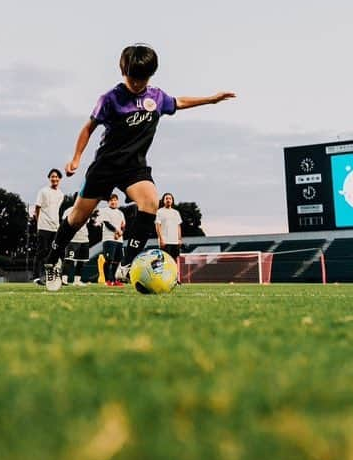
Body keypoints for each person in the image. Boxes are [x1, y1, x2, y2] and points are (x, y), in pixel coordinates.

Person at [40, 43, 235, 291]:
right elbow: (88, 127)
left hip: (135, 167)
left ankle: (127, 263)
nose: (136, 83)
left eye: (142, 79)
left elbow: (178, 101)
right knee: (78, 218)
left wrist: (210, 99)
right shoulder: (110, 99)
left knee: (150, 202)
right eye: (132, 78)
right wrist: (76, 158)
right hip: (106, 166)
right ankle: (52, 261)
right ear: (123, 71)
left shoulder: (156, 97)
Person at [32, 169, 64, 284]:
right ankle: (36, 277)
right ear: (49, 178)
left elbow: (57, 210)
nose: (54, 179)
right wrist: (38, 223)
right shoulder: (43, 191)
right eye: (52, 176)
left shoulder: (61, 194)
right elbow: (37, 208)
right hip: (43, 226)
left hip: (55, 227)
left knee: (54, 252)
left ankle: (52, 277)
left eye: (56, 177)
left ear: (60, 179)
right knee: (41, 252)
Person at [96, 193, 126, 287]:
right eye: (111, 200)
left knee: (118, 260)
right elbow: (107, 223)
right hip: (109, 238)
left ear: (117, 201)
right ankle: (107, 280)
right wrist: (117, 231)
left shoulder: (120, 213)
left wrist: (120, 233)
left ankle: (114, 279)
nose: (113, 202)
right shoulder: (105, 211)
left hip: (119, 239)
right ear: (108, 202)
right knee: (109, 259)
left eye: (115, 200)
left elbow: (123, 225)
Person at [61, 200, 92, 286]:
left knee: (81, 261)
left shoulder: (86, 210)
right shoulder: (69, 211)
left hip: (84, 238)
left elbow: (87, 223)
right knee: (69, 260)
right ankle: (64, 279)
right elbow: (65, 224)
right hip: (72, 239)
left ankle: (77, 280)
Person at [155, 192, 183, 261]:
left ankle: (175, 272)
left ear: (172, 200)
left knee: (175, 260)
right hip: (165, 241)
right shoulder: (159, 212)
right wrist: (161, 239)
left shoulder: (176, 212)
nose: (168, 200)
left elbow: (178, 226)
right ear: (163, 200)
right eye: (166, 198)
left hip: (175, 241)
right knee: (165, 260)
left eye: (170, 198)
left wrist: (179, 239)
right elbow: (158, 226)